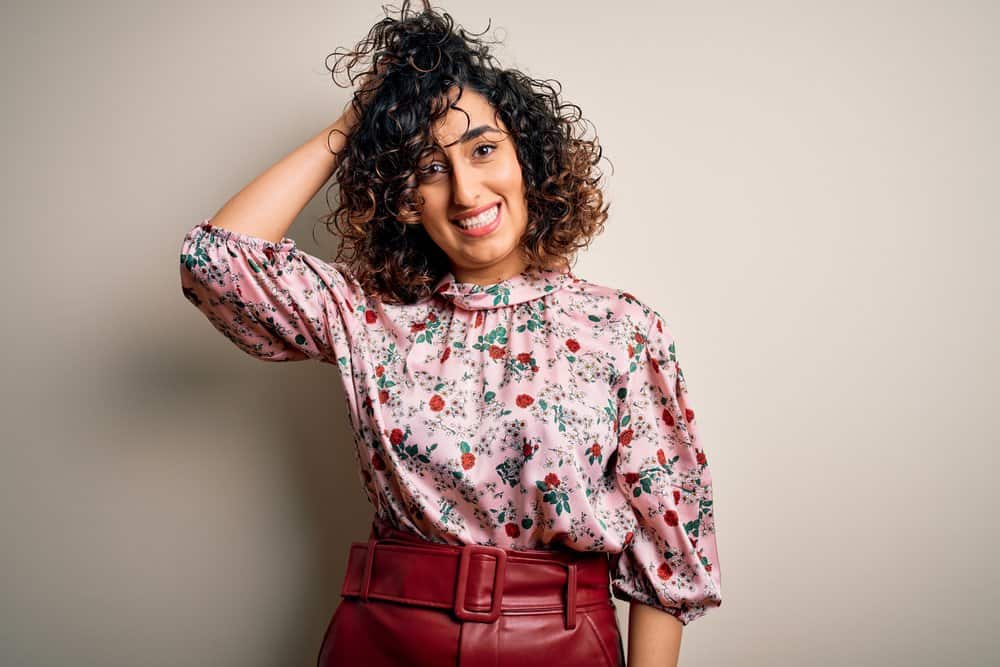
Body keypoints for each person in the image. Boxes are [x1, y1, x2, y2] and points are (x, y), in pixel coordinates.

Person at [178, 2, 722, 665]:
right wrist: (360, 122)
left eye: (484, 150)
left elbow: (666, 547)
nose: (466, 190)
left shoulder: (622, 328)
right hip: (385, 636)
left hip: (561, 642)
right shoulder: (368, 312)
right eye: (431, 168)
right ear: (402, 195)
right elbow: (216, 261)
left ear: (529, 159)